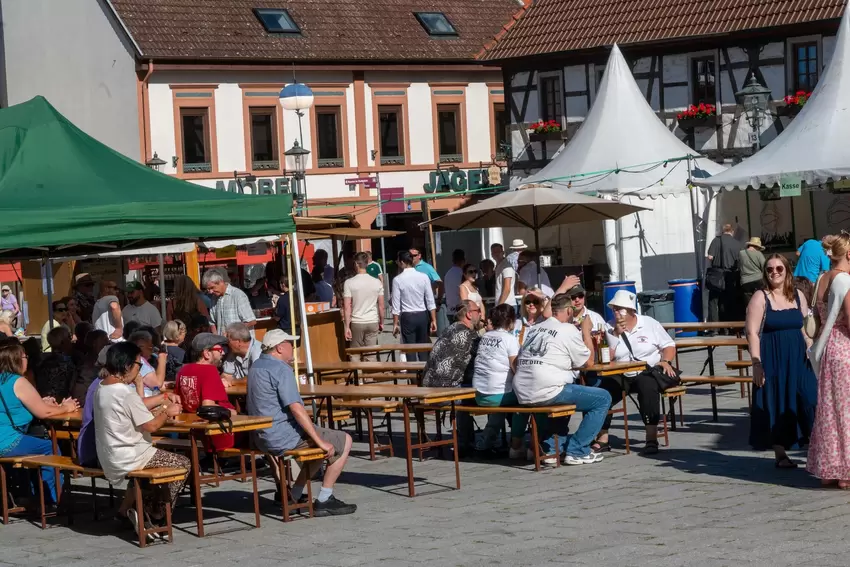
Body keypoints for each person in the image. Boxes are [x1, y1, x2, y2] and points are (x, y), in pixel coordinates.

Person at [247, 329, 356, 515]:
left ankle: (294, 494)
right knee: (344, 440)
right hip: (282, 435)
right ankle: (325, 498)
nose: (294, 348)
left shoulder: (256, 366)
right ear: (280, 348)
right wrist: (320, 440)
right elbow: (296, 408)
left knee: (317, 445)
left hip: (260, 436)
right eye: (291, 344)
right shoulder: (281, 369)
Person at [94, 342, 189, 536]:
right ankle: (156, 515)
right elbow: (152, 426)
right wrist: (166, 411)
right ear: (127, 365)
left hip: (110, 454)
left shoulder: (102, 388)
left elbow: (132, 413)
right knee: (183, 464)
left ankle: (130, 511)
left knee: (153, 470)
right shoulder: (124, 392)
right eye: (139, 365)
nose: (140, 370)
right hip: (132, 454)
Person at [512, 293, 610, 465]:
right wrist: (586, 331)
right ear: (568, 310)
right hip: (547, 389)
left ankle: (550, 449)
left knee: (565, 392)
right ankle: (578, 450)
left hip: (522, 391)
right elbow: (588, 362)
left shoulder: (535, 328)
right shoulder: (568, 329)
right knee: (603, 398)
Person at [746, 254, 817, 469]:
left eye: (779, 268)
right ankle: (781, 452)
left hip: (798, 355)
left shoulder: (798, 295)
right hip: (773, 355)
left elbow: (805, 327)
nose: (774, 273)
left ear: (787, 270)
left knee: (810, 398)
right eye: (769, 270)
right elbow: (752, 332)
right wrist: (756, 364)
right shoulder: (760, 297)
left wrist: (811, 348)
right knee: (776, 400)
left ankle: (815, 444)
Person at [591, 290, 677, 455]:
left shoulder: (649, 323)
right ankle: (603, 438)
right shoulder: (608, 327)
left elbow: (669, 345)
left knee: (648, 387)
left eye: (620, 308)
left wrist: (666, 361)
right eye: (614, 308)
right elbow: (604, 359)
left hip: (646, 371)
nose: (616, 312)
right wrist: (615, 335)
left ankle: (651, 438)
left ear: (631, 310)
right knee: (602, 393)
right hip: (620, 373)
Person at [0, 339, 79, 509]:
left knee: (32, 445)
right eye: (24, 356)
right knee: (50, 448)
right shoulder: (18, 381)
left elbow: (13, 406)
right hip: (7, 441)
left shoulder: (2, 380)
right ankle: (52, 497)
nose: (27, 359)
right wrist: (66, 406)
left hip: (5, 438)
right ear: (17, 359)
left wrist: (41, 401)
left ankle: (27, 494)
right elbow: (44, 413)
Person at [809, 233, 850, 487]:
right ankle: (847, 471)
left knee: (831, 410)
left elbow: (815, 314)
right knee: (846, 411)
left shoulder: (821, 279)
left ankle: (831, 469)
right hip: (845, 347)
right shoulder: (844, 279)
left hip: (827, 347)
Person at [472, 304, 524, 458]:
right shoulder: (509, 339)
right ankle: (517, 445)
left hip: (479, 393)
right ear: (511, 321)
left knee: (499, 405)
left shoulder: (485, 337)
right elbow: (517, 369)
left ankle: (485, 443)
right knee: (526, 400)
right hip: (497, 395)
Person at [175, 333, 239, 452]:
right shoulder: (210, 371)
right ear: (206, 353)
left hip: (195, 428)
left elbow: (178, 400)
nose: (223, 353)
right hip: (219, 434)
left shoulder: (183, 370)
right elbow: (208, 407)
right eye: (219, 349)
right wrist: (232, 412)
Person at [391, 251, 436, 361]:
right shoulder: (423, 277)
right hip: (422, 315)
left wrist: (395, 323)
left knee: (409, 350)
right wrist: (433, 319)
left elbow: (395, 304)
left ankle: (413, 376)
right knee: (423, 348)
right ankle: (423, 375)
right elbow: (430, 300)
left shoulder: (397, 279)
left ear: (402, 262)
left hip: (407, 316)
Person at [343, 252, 384, 361]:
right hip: (372, 320)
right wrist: (382, 322)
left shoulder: (349, 282)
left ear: (356, 264)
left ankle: (357, 377)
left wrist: (347, 326)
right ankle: (369, 378)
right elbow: (381, 306)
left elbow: (347, 307)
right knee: (371, 354)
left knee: (355, 353)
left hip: (357, 321)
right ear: (367, 264)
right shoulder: (377, 282)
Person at [706, 224, 743, 324]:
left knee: (713, 301)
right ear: (732, 232)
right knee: (728, 301)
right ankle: (728, 327)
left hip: (716, 275)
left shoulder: (716, 240)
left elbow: (710, 257)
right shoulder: (737, 244)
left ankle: (714, 328)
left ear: (722, 231)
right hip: (731, 275)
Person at [204, 268, 256, 336]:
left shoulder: (238, 295)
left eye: (212, 288)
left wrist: (233, 333)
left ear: (221, 282)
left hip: (240, 342)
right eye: (208, 289)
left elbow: (251, 321)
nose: (210, 291)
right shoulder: (214, 298)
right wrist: (215, 337)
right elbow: (212, 322)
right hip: (223, 343)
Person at [35, 326, 79, 401]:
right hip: (63, 403)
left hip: (44, 400)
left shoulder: (43, 363)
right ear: (63, 342)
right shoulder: (67, 362)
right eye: (69, 337)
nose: (71, 340)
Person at [71, 329, 109, 402]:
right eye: (104, 340)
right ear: (94, 343)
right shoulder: (86, 366)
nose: (107, 343)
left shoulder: (100, 362)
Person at [129, 329, 167, 396]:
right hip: (143, 400)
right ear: (140, 347)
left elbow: (152, 382)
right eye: (150, 347)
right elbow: (157, 384)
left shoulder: (139, 360)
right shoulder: (140, 361)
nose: (152, 349)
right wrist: (162, 360)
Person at [739, 237, 766, 305]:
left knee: (749, 304)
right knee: (759, 302)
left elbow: (739, 266)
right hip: (758, 280)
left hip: (745, 281)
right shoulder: (759, 254)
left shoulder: (741, 253)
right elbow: (764, 267)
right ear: (757, 246)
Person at [491, 243, 516, 307]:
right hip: (502, 304)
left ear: (503, 252)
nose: (496, 254)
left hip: (507, 304)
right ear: (491, 254)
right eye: (494, 252)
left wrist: (499, 305)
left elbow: (507, 288)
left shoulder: (506, 266)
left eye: (498, 251)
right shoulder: (499, 266)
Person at [444, 249, 466, 319]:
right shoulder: (462, 274)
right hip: (460, 311)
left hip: (450, 310)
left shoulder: (448, 273)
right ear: (463, 260)